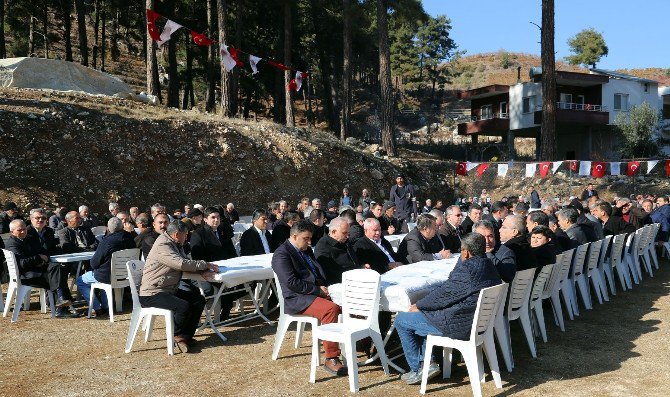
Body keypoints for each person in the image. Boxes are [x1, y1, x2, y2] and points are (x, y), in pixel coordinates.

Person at [394, 233, 502, 385]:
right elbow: (450, 286)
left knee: (401, 320)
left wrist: (418, 305)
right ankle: (428, 363)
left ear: (465, 252)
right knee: (422, 317)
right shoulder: (488, 264)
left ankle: (418, 368)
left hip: (459, 323)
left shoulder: (467, 270)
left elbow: (444, 293)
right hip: (474, 320)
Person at [272, 220, 347, 376]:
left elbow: (317, 272)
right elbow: (292, 283)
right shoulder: (281, 254)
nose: (309, 242)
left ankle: (360, 343)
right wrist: (318, 291)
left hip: (317, 291)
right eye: (306, 238)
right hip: (297, 298)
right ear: (294, 236)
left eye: (310, 238)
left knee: (349, 303)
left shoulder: (305, 249)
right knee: (330, 310)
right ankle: (331, 358)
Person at [140, 220, 217, 352]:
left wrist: (201, 270)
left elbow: (186, 262)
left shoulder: (174, 243)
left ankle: (186, 337)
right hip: (152, 292)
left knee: (198, 300)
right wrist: (206, 265)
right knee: (183, 306)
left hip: (168, 289)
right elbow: (181, 264)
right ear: (176, 234)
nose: (186, 237)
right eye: (185, 234)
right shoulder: (163, 244)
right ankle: (176, 336)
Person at [5, 219, 78, 318]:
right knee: (57, 274)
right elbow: (22, 263)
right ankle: (61, 305)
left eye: (24, 229)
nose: (23, 232)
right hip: (27, 275)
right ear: (12, 232)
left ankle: (61, 303)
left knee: (58, 268)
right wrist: (38, 258)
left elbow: (45, 252)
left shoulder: (30, 238)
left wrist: (42, 259)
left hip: (39, 269)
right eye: (19, 230)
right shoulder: (12, 243)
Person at [76, 217, 136, 317]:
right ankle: (106, 306)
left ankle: (96, 308)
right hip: (126, 275)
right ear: (122, 226)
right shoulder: (130, 238)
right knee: (102, 276)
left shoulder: (107, 241)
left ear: (108, 229)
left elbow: (94, 264)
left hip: (107, 276)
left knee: (80, 281)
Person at [190, 206, 240, 320]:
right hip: (209, 270)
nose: (216, 220)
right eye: (213, 217)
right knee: (228, 286)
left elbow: (232, 252)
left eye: (218, 217)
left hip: (228, 268)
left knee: (247, 283)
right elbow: (197, 257)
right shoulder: (198, 234)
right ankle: (225, 309)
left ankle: (226, 307)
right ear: (205, 219)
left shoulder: (223, 231)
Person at [314, 217, 364, 285]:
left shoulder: (344, 241)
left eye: (348, 233)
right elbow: (330, 275)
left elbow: (353, 260)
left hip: (356, 278)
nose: (347, 236)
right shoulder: (322, 247)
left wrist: (361, 267)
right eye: (344, 233)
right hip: (342, 284)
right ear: (334, 232)